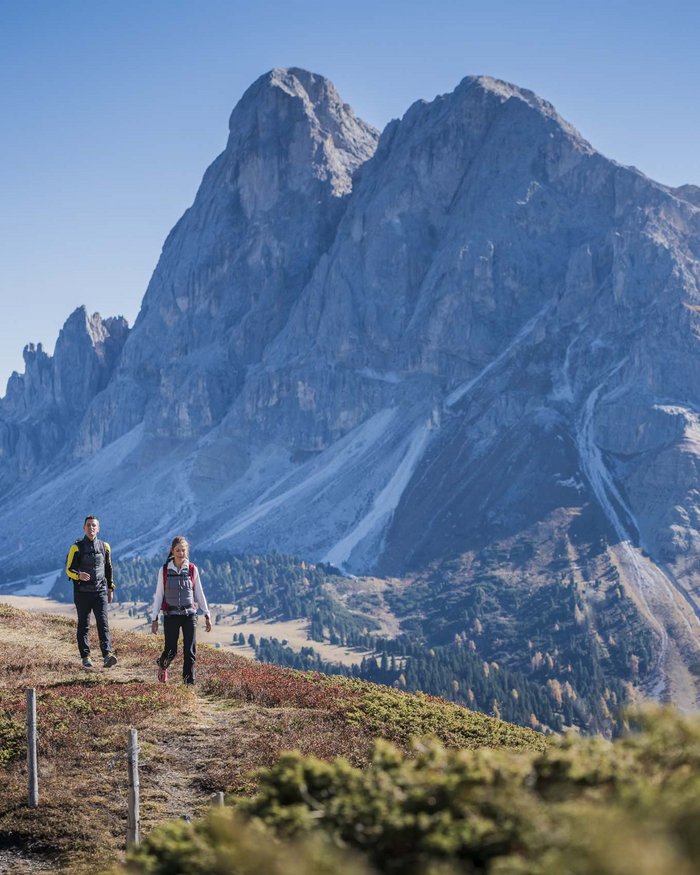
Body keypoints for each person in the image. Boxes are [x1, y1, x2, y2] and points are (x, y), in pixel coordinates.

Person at [150, 536, 212, 684]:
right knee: (171, 651)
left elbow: (199, 592)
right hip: (171, 615)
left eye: (183, 550)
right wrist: (154, 618)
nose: (180, 553)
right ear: (172, 551)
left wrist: (207, 614)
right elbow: (159, 595)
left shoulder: (192, 569)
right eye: (178, 550)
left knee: (190, 651)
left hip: (189, 615)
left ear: (187, 551)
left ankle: (188, 685)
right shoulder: (164, 570)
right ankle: (163, 665)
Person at [65, 515, 118, 668]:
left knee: (103, 623)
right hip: (82, 593)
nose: (91, 528)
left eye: (94, 525)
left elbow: (108, 568)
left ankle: (107, 655)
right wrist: (78, 575)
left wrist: (110, 588)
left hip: (100, 591)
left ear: (98, 528)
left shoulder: (105, 547)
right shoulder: (77, 547)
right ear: (84, 528)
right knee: (84, 625)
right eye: (88, 525)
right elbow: (68, 569)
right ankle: (86, 657)